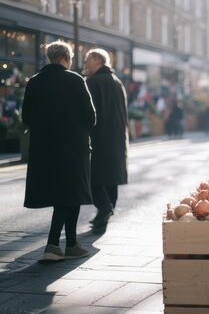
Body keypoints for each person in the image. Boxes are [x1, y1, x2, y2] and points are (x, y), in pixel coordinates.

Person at [22, 41, 96, 261]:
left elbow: (26, 117)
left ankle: (71, 244)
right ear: (67, 58)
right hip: (73, 147)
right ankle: (53, 245)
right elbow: (91, 117)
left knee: (65, 195)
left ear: (49, 57)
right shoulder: (75, 80)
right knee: (69, 193)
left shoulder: (34, 82)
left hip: (44, 148)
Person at [83, 48, 129, 234]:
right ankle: (104, 215)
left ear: (97, 60)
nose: (85, 64)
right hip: (117, 138)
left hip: (98, 137)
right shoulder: (117, 82)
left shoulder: (92, 82)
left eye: (87, 60)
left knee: (92, 178)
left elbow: (87, 113)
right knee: (111, 178)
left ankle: (104, 208)